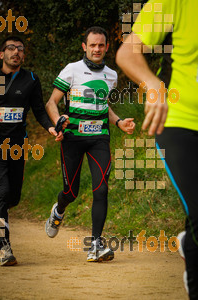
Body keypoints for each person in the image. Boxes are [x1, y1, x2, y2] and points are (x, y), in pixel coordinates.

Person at [116, 0, 198, 298]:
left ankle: (189, 242)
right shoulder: (176, 2)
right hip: (178, 120)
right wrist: (152, 84)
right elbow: (128, 52)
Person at [45, 26, 135, 262]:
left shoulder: (111, 75)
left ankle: (95, 243)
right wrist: (58, 121)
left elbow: (103, 106)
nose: (97, 49)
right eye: (92, 45)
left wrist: (119, 123)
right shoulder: (72, 70)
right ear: (85, 46)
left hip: (99, 138)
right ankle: (59, 209)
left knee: (101, 189)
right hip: (73, 138)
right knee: (71, 192)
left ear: (106, 47)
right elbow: (51, 103)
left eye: (101, 45)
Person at [0, 36, 58, 266]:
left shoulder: (31, 79)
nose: (16, 52)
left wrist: (51, 128)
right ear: (2, 54)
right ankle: (4, 247)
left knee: (12, 197)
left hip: (16, 147)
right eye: (11, 48)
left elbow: (39, 110)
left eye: (20, 49)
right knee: (2, 193)